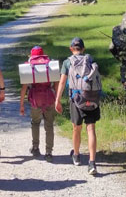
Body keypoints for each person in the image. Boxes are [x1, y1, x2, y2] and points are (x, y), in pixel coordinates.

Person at [55, 37, 101, 176]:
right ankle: (92, 162)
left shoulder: (67, 62)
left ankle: (76, 155)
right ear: (83, 49)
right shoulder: (90, 59)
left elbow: (62, 82)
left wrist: (57, 100)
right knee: (91, 128)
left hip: (76, 99)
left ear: (71, 49)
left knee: (76, 128)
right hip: (91, 97)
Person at [19, 46, 58, 162]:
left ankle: (35, 147)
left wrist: (21, 105)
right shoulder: (50, 65)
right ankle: (49, 152)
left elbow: (24, 88)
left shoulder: (29, 66)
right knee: (49, 126)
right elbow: (56, 84)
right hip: (49, 98)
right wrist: (57, 100)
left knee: (35, 123)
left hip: (35, 99)